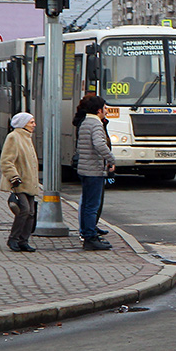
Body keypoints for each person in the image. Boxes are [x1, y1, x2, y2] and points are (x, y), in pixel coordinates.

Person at [75, 95, 116, 251]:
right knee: (92, 206)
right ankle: (90, 237)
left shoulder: (85, 122)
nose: (106, 111)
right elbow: (99, 144)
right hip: (93, 170)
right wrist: (111, 159)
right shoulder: (96, 124)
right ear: (99, 110)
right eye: (105, 108)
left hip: (84, 168)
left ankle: (87, 234)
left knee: (86, 204)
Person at [1, 113, 40, 252]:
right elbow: (6, 160)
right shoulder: (14, 137)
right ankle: (14, 238)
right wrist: (14, 177)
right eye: (31, 122)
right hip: (19, 182)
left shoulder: (27, 137)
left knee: (31, 212)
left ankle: (24, 240)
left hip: (29, 182)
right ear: (23, 124)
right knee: (24, 210)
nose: (34, 125)